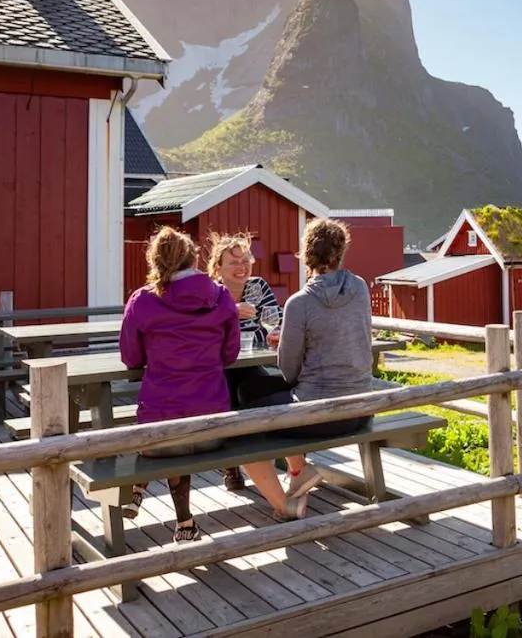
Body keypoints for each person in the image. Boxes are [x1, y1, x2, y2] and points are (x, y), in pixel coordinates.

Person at [235, 217, 375, 520]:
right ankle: (299, 472)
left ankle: (285, 503)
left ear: (306, 253)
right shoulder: (360, 288)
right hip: (362, 407)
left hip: (322, 414)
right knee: (250, 387)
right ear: (340, 252)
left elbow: (289, 372)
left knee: (241, 421)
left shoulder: (300, 303)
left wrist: (284, 345)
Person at [118, 226, 240, 543]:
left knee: (169, 420)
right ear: (194, 258)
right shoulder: (221, 297)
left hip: (160, 432)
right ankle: (184, 524)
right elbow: (231, 354)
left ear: (155, 261)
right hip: (213, 426)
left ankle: (149, 496)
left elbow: (130, 358)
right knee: (185, 416)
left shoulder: (142, 301)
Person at [206, 231, 282, 491]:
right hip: (216, 367)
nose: (242, 267)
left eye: (246, 260)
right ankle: (233, 465)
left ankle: (276, 458)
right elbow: (203, 335)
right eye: (234, 262)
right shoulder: (210, 293)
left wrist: (259, 333)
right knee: (228, 395)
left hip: (250, 363)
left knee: (264, 390)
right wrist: (229, 314)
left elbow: (275, 325)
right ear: (218, 267)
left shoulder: (257, 287)